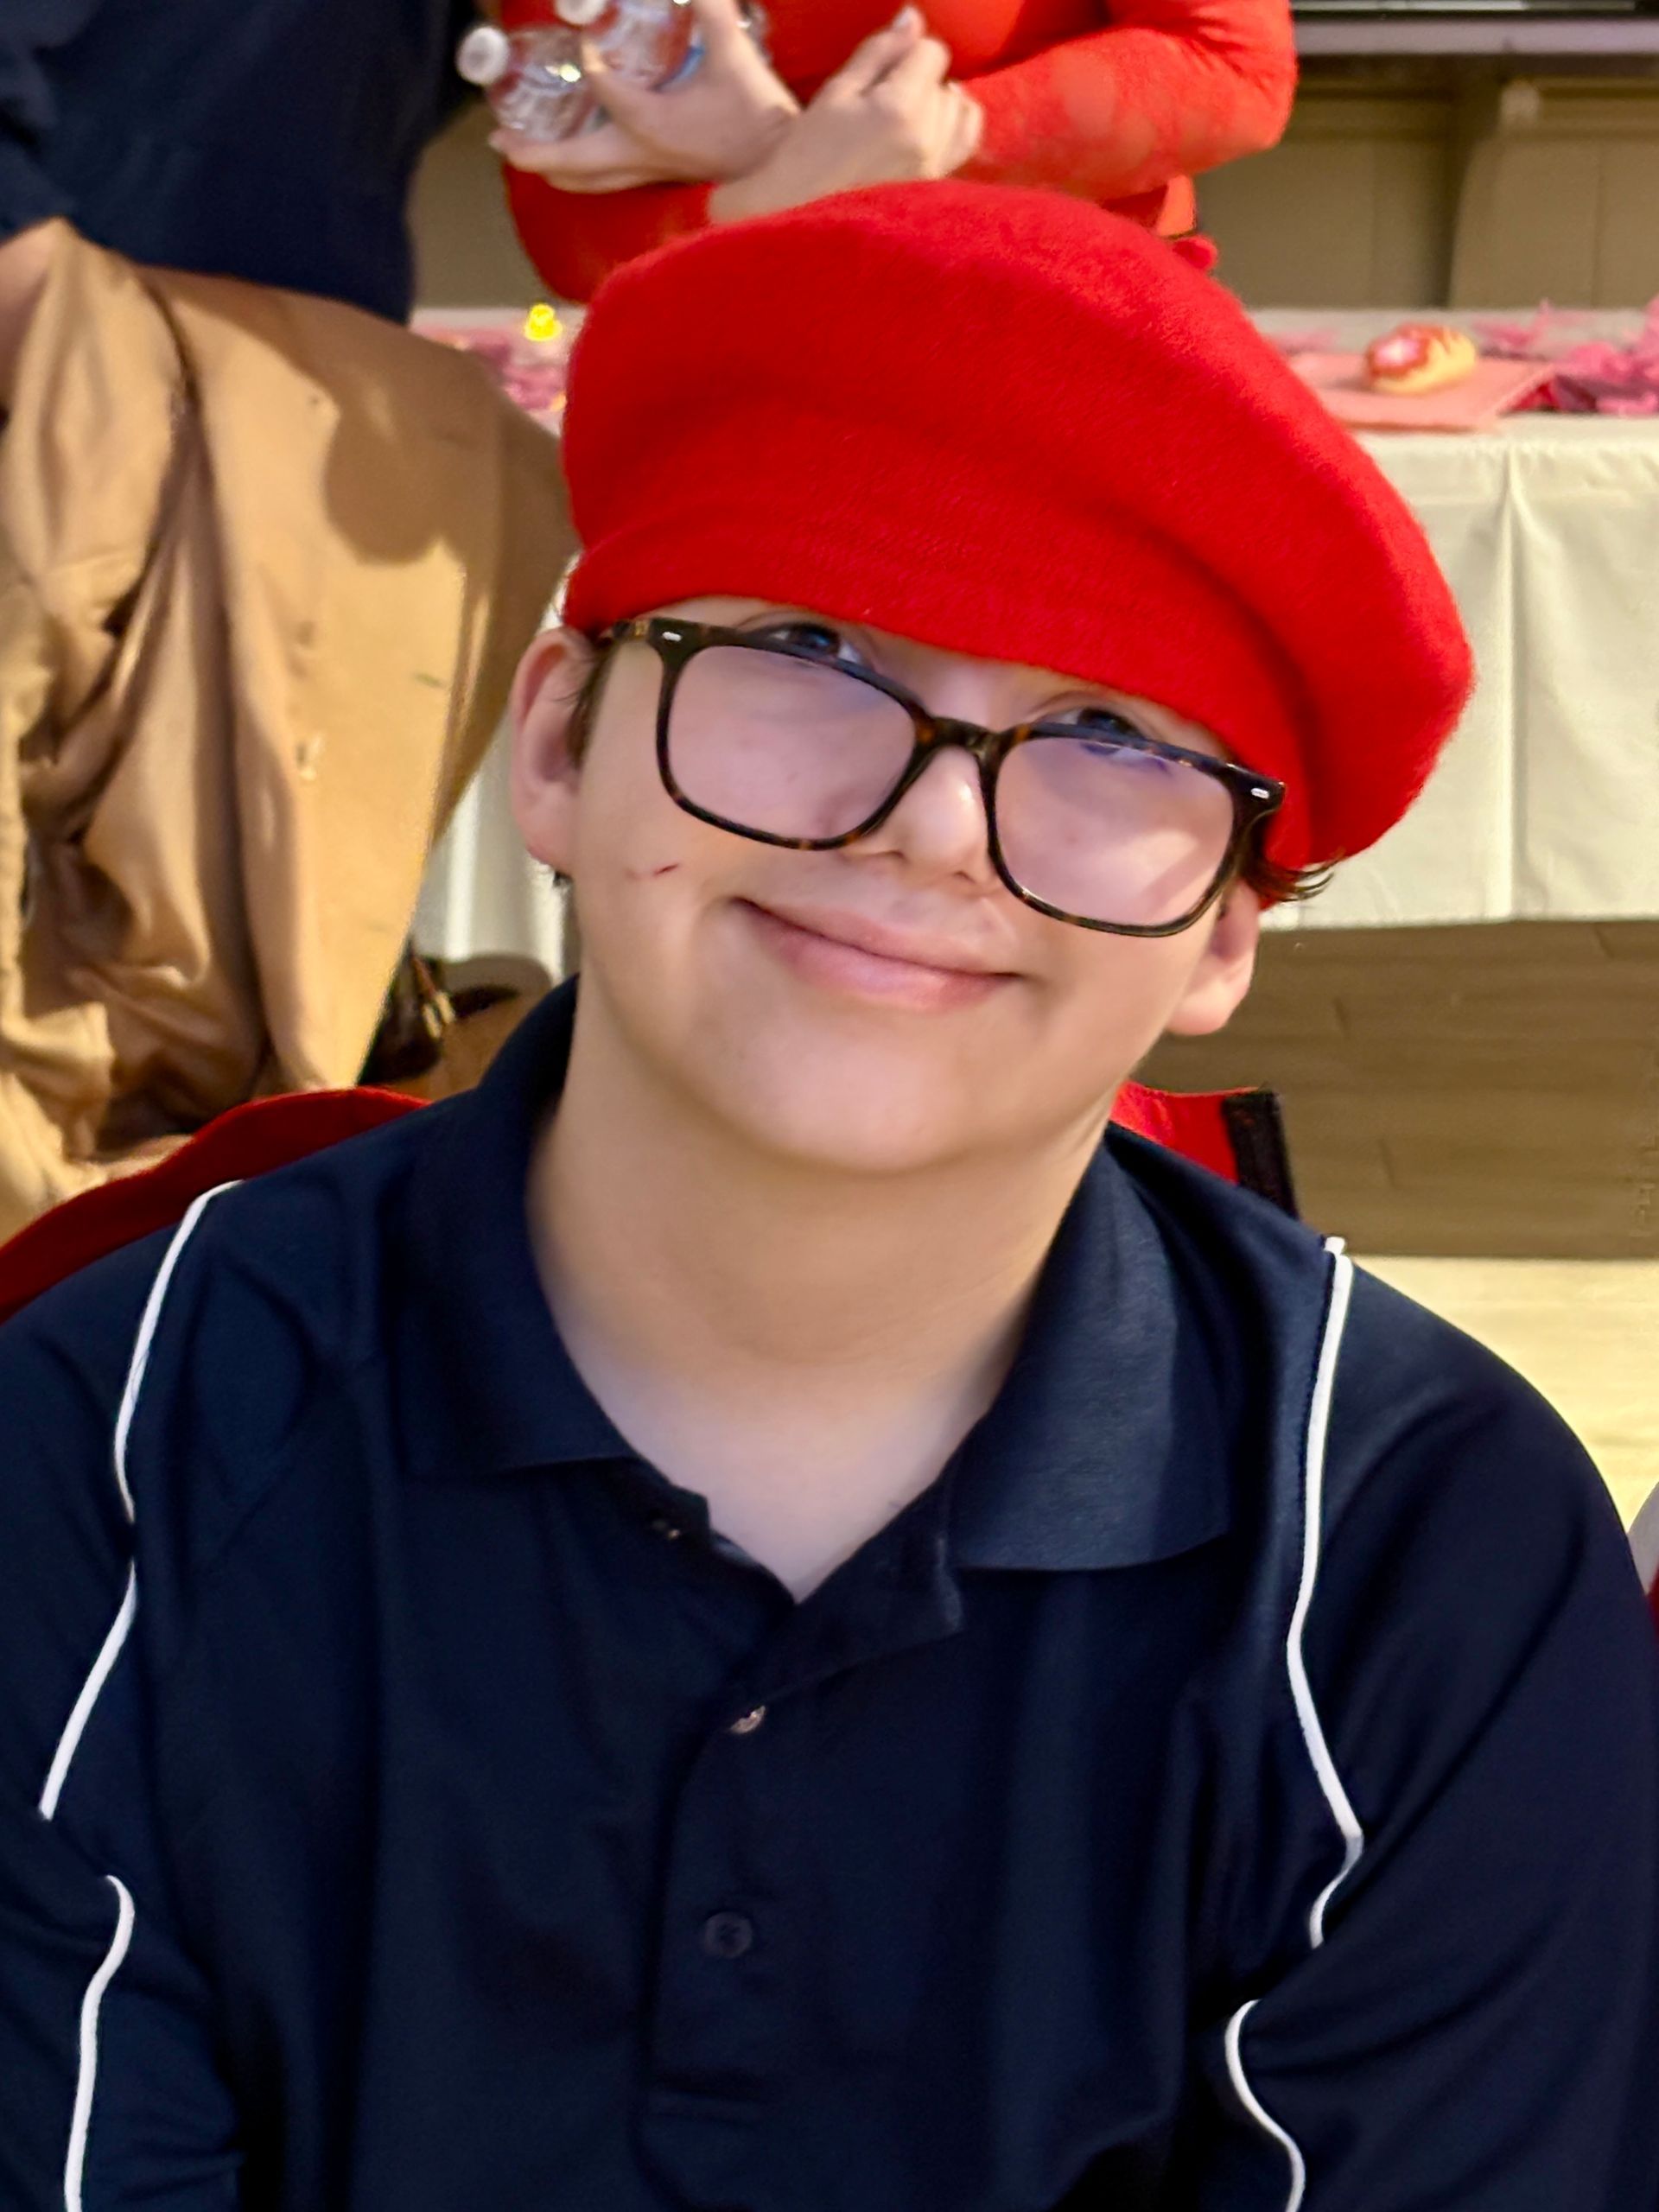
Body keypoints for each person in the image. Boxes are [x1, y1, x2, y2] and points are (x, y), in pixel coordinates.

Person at [3, 182, 1657, 2208]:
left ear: (1226, 934)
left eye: (1108, 733)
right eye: (808, 648)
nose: (925, 826)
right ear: (553, 741)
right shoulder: (113, 1437)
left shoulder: (1418, 1559)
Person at [495, 0, 1298, 300]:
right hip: (751, 374)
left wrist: (929, 142)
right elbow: (561, 229)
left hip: (1066, 330)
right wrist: (766, 197)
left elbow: (1229, 66)